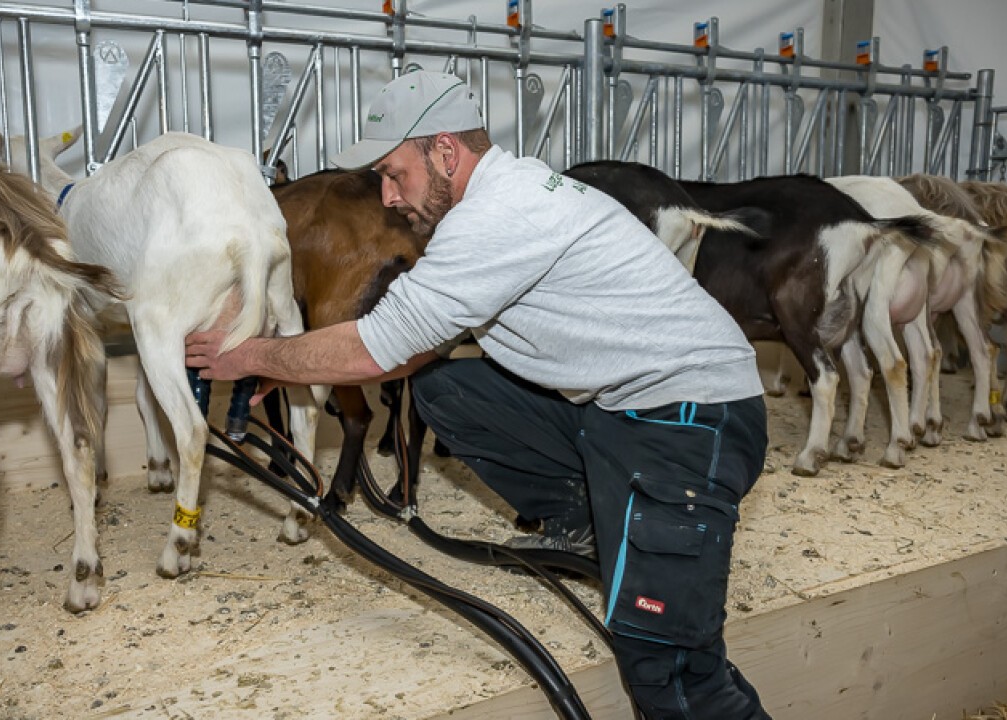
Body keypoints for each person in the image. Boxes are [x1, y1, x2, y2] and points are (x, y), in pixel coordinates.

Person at [185, 70, 771, 720]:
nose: (386, 196)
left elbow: (378, 345)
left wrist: (247, 356)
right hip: (626, 408)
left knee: (675, 676)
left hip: (689, 423)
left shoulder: (501, 212)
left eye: (393, 174)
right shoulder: (505, 195)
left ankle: (639, 555)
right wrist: (296, 366)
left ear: (444, 151)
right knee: (447, 388)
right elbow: (414, 344)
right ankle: (591, 525)